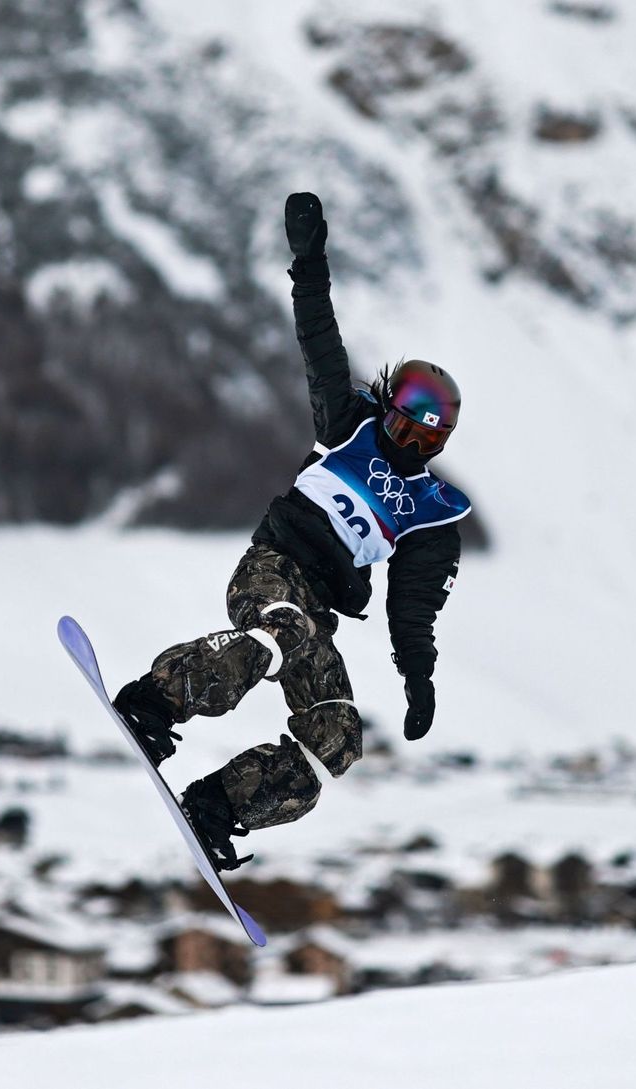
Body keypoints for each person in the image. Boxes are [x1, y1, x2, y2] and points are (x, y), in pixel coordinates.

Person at [111, 192, 471, 871]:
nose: (405, 448)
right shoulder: (349, 424)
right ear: (386, 411)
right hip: (273, 568)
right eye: (400, 428)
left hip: (319, 611)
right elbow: (318, 340)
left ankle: (217, 806)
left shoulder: (431, 514)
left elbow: (413, 607)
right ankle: (154, 702)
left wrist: (418, 677)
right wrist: (310, 262)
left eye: (423, 443)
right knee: (284, 632)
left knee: (336, 735)